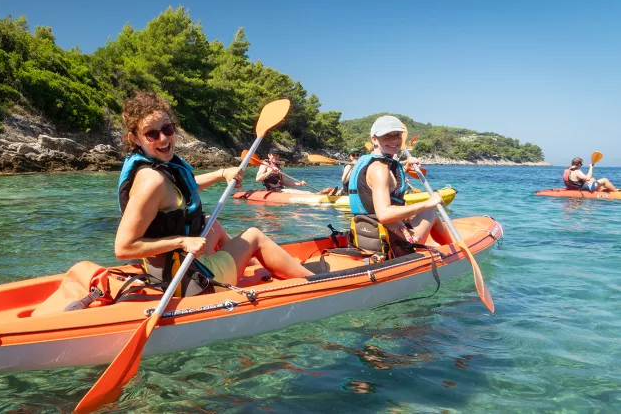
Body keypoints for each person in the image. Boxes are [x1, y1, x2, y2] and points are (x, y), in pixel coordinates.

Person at [115, 91, 313, 297]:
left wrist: (221, 173)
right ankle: (311, 280)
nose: (163, 138)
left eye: (167, 128)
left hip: (164, 270)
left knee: (211, 224)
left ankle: (251, 260)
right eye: (151, 134)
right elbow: (123, 248)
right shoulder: (151, 181)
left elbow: (183, 190)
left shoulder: (157, 168)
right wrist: (182, 242)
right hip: (187, 280)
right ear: (135, 138)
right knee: (254, 235)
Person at [348, 115, 451, 256]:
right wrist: (427, 203)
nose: (394, 140)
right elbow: (384, 214)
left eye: (397, 135)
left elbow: (386, 183)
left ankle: (449, 246)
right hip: (389, 240)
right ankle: (454, 249)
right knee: (430, 213)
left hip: (368, 235)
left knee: (423, 211)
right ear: (374, 139)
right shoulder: (380, 169)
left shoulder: (372, 162)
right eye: (387, 136)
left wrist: (405, 169)